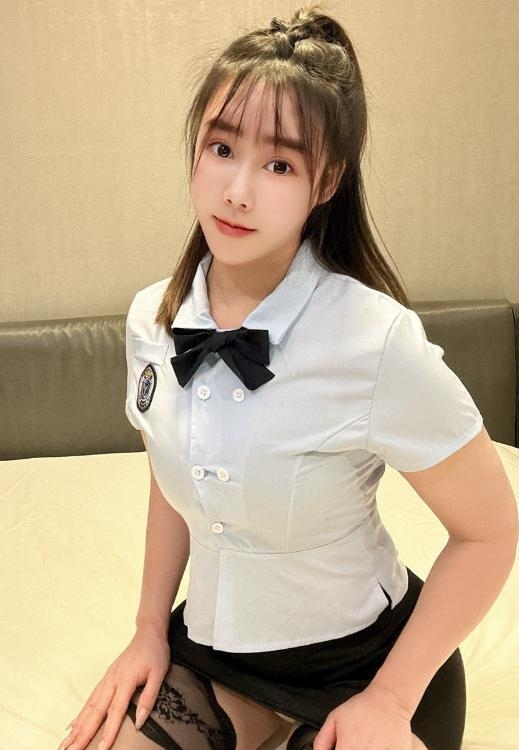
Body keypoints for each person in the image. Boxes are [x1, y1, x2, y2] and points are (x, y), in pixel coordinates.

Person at [58, 4, 487, 750]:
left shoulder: (375, 340)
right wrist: (148, 629)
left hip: (372, 666)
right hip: (215, 654)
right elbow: (170, 478)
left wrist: (390, 701)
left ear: (327, 181)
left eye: (279, 164)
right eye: (222, 147)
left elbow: (488, 532)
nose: (237, 190)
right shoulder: (151, 321)